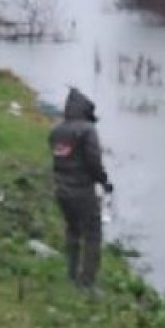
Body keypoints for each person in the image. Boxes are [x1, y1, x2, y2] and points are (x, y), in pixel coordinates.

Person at [49, 87, 112, 296]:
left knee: (72, 230)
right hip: (82, 191)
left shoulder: (56, 132)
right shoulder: (87, 131)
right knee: (93, 234)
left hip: (61, 189)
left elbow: (59, 161)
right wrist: (104, 181)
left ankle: (71, 274)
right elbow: (93, 162)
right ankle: (87, 283)